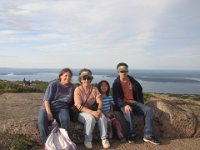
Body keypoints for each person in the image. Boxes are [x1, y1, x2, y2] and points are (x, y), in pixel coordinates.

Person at [112, 62, 160, 145]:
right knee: (128, 112)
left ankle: (148, 135)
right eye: (121, 71)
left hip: (134, 102)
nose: (123, 73)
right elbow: (117, 98)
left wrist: (140, 102)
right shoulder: (116, 83)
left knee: (148, 110)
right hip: (123, 104)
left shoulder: (132, 81)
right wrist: (124, 105)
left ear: (127, 71)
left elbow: (139, 90)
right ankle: (131, 135)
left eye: (125, 71)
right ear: (118, 72)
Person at [74, 69, 110, 149]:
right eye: (84, 78)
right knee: (90, 119)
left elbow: (100, 102)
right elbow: (78, 106)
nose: (86, 80)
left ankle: (104, 139)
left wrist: (99, 110)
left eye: (88, 78)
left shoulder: (94, 89)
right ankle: (88, 140)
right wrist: (92, 112)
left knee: (102, 117)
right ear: (81, 79)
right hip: (81, 112)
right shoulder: (78, 90)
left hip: (93, 110)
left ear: (91, 79)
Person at [38, 68, 74, 144]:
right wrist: (48, 112)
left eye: (70, 76)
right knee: (41, 122)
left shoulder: (71, 87)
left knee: (66, 121)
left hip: (62, 108)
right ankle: (47, 143)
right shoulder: (54, 84)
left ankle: (64, 142)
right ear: (60, 76)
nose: (68, 77)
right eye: (66, 75)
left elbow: (72, 101)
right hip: (48, 107)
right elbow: (46, 100)